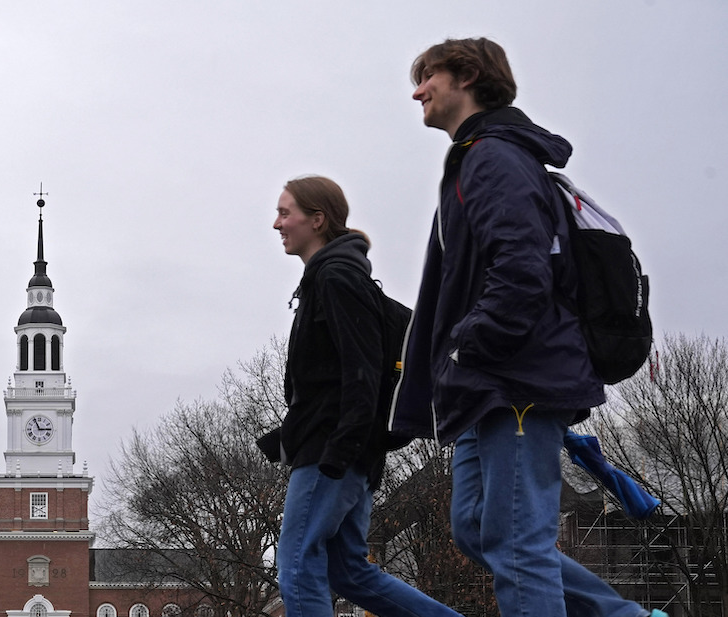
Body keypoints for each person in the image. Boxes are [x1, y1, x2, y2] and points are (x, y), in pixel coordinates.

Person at [391, 37, 667, 617]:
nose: (417, 90)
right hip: (484, 385)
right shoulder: (479, 156)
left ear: (465, 77)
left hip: (512, 376)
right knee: (475, 529)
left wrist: (467, 347)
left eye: (427, 77)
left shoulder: (493, 157)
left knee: (518, 545)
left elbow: (522, 272)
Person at [257, 175, 462, 617]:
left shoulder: (336, 279)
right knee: (349, 572)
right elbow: (330, 380)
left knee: (296, 564)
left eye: (285, 212)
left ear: (317, 219)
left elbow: (362, 370)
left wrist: (340, 448)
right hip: (347, 450)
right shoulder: (331, 277)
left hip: (333, 452)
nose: (277, 223)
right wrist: (289, 433)